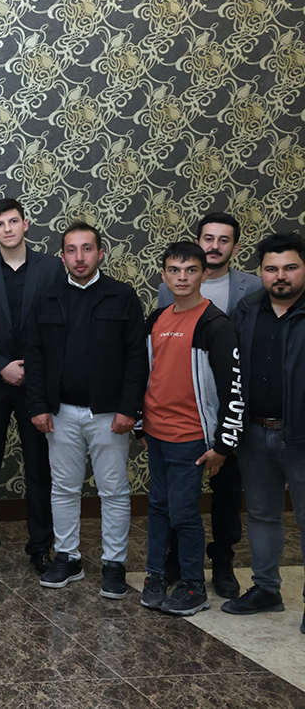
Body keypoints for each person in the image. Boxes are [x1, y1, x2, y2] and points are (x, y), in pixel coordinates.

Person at [26, 222, 146, 599]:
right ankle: (68, 557)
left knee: (113, 490)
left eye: (87, 249)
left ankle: (114, 563)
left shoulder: (121, 296)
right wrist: (38, 405)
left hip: (109, 415)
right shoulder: (47, 297)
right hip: (60, 412)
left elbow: (136, 357)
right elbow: (34, 355)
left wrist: (129, 408)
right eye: (72, 250)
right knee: (63, 488)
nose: (80, 257)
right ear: (62, 257)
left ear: (100, 253)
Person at [156, 212, 259, 598]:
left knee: (227, 490)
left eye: (223, 240)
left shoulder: (252, 288)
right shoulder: (170, 290)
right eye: (209, 239)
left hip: (229, 406)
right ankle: (176, 559)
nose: (215, 246)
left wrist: (231, 423)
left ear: (235, 246)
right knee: (177, 496)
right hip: (185, 413)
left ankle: (223, 561)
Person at [138, 242, 243, 616]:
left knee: (183, 512)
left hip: (192, 437)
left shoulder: (215, 325)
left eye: (191, 270)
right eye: (174, 270)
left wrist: (224, 444)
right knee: (158, 507)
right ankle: (155, 575)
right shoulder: (156, 319)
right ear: (163, 275)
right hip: (157, 433)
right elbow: (145, 374)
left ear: (204, 274)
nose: (182, 277)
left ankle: (194, 586)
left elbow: (233, 389)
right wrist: (141, 426)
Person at [0, 199, 63, 574]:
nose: (7, 228)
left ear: (25, 225)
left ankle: (40, 546)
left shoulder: (51, 268)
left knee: (39, 467)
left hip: (37, 384)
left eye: (13, 221)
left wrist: (31, 368)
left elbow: (58, 325)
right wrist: (0, 365)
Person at [222, 232, 305, 629]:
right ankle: (266, 589)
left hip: (301, 435)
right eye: (271, 269)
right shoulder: (247, 310)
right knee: (261, 515)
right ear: (261, 272)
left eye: (290, 267)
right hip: (254, 432)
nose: (280, 276)